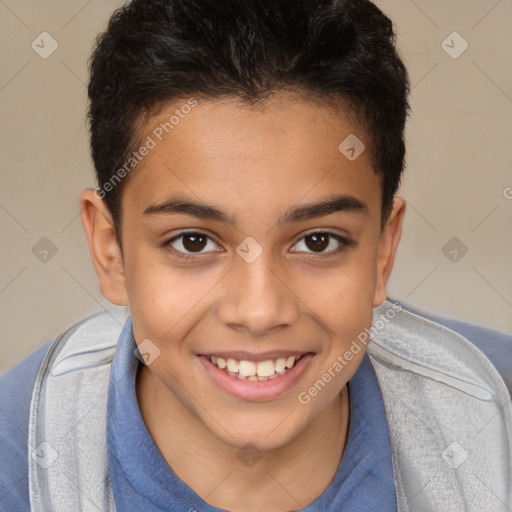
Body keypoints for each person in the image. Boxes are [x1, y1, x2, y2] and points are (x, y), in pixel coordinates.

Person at [1, 0, 511, 511]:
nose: (260, 311)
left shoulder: (496, 419)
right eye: (193, 242)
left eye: (317, 241)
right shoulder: (18, 462)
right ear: (110, 250)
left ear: (382, 248)